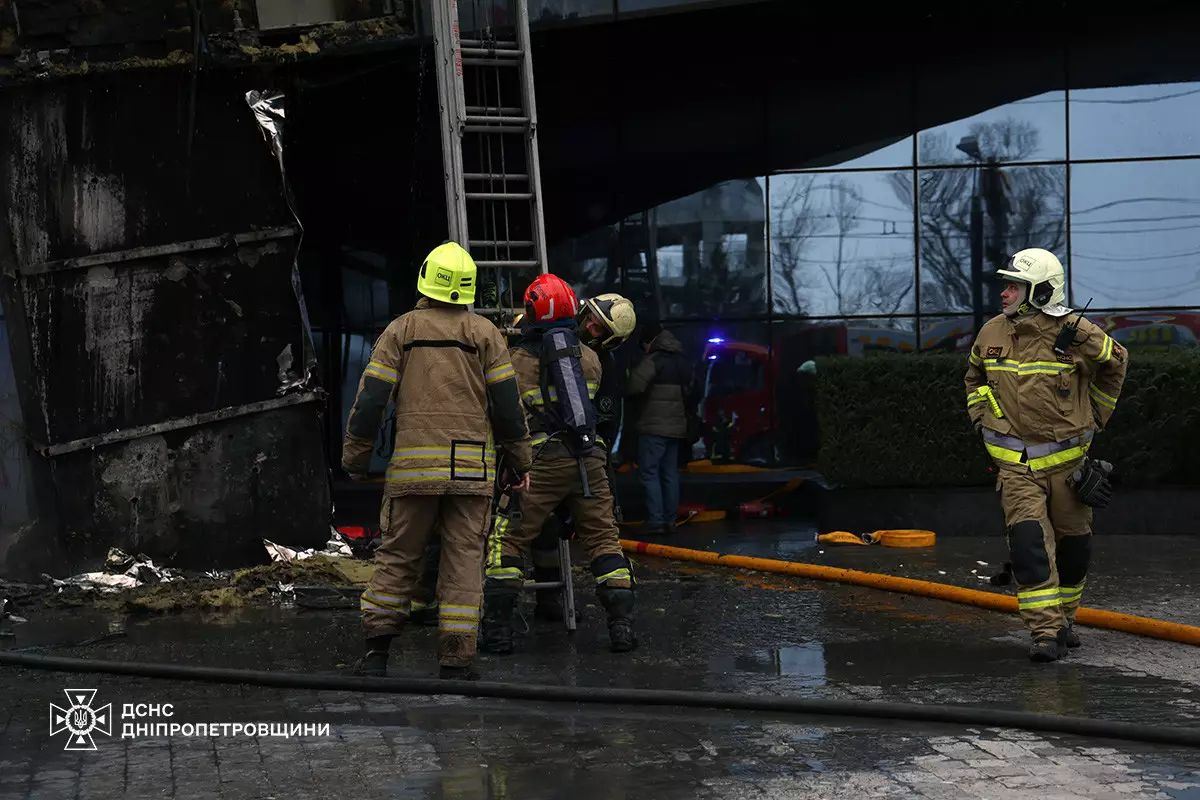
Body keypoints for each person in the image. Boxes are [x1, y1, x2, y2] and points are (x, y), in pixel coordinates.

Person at [342, 241, 531, 679]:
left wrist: (356, 457)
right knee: (464, 562)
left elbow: (370, 401)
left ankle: (376, 656)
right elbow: (508, 408)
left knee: (398, 556)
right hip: (471, 473)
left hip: (412, 472)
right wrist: (521, 461)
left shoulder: (401, 331)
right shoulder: (486, 334)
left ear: (426, 280)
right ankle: (456, 662)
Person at [964, 248, 1127, 663]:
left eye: (1014, 286)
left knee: (1074, 552)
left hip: (1070, 470)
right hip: (1016, 469)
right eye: (1006, 285)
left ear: (1039, 292)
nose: (1004, 293)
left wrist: (1096, 417)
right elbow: (974, 377)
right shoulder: (991, 332)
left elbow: (1116, 364)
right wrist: (983, 419)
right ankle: (1045, 632)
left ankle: (1065, 621)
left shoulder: (1077, 331)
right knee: (1029, 547)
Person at [481, 274, 637, 654]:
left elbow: (505, 417)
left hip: (539, 463)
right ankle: (622, 628)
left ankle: (498, 633)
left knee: (507, 541)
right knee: (604, 541)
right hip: (589, 462)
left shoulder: (515, 361)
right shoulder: (593, 361)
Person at [524, 293, 638, 621]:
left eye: (598, 328)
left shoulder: (603, 365)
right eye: (589, 318)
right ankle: (549, 602)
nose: (588, 327)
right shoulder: (547, 342)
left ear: (611, 341)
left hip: (581, 460)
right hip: (548, 456)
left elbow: (606, 421)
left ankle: (616, 618)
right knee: (545, 530)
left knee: (593, 535)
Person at [626, 321, 690, 535]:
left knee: (650, 473)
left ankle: (656, 521)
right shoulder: (681, 361)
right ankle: (670, 521)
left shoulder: (653, 360)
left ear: (650, 341)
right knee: (670, 474)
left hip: (653, 427)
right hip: (677, 427)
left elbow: (634, 386)